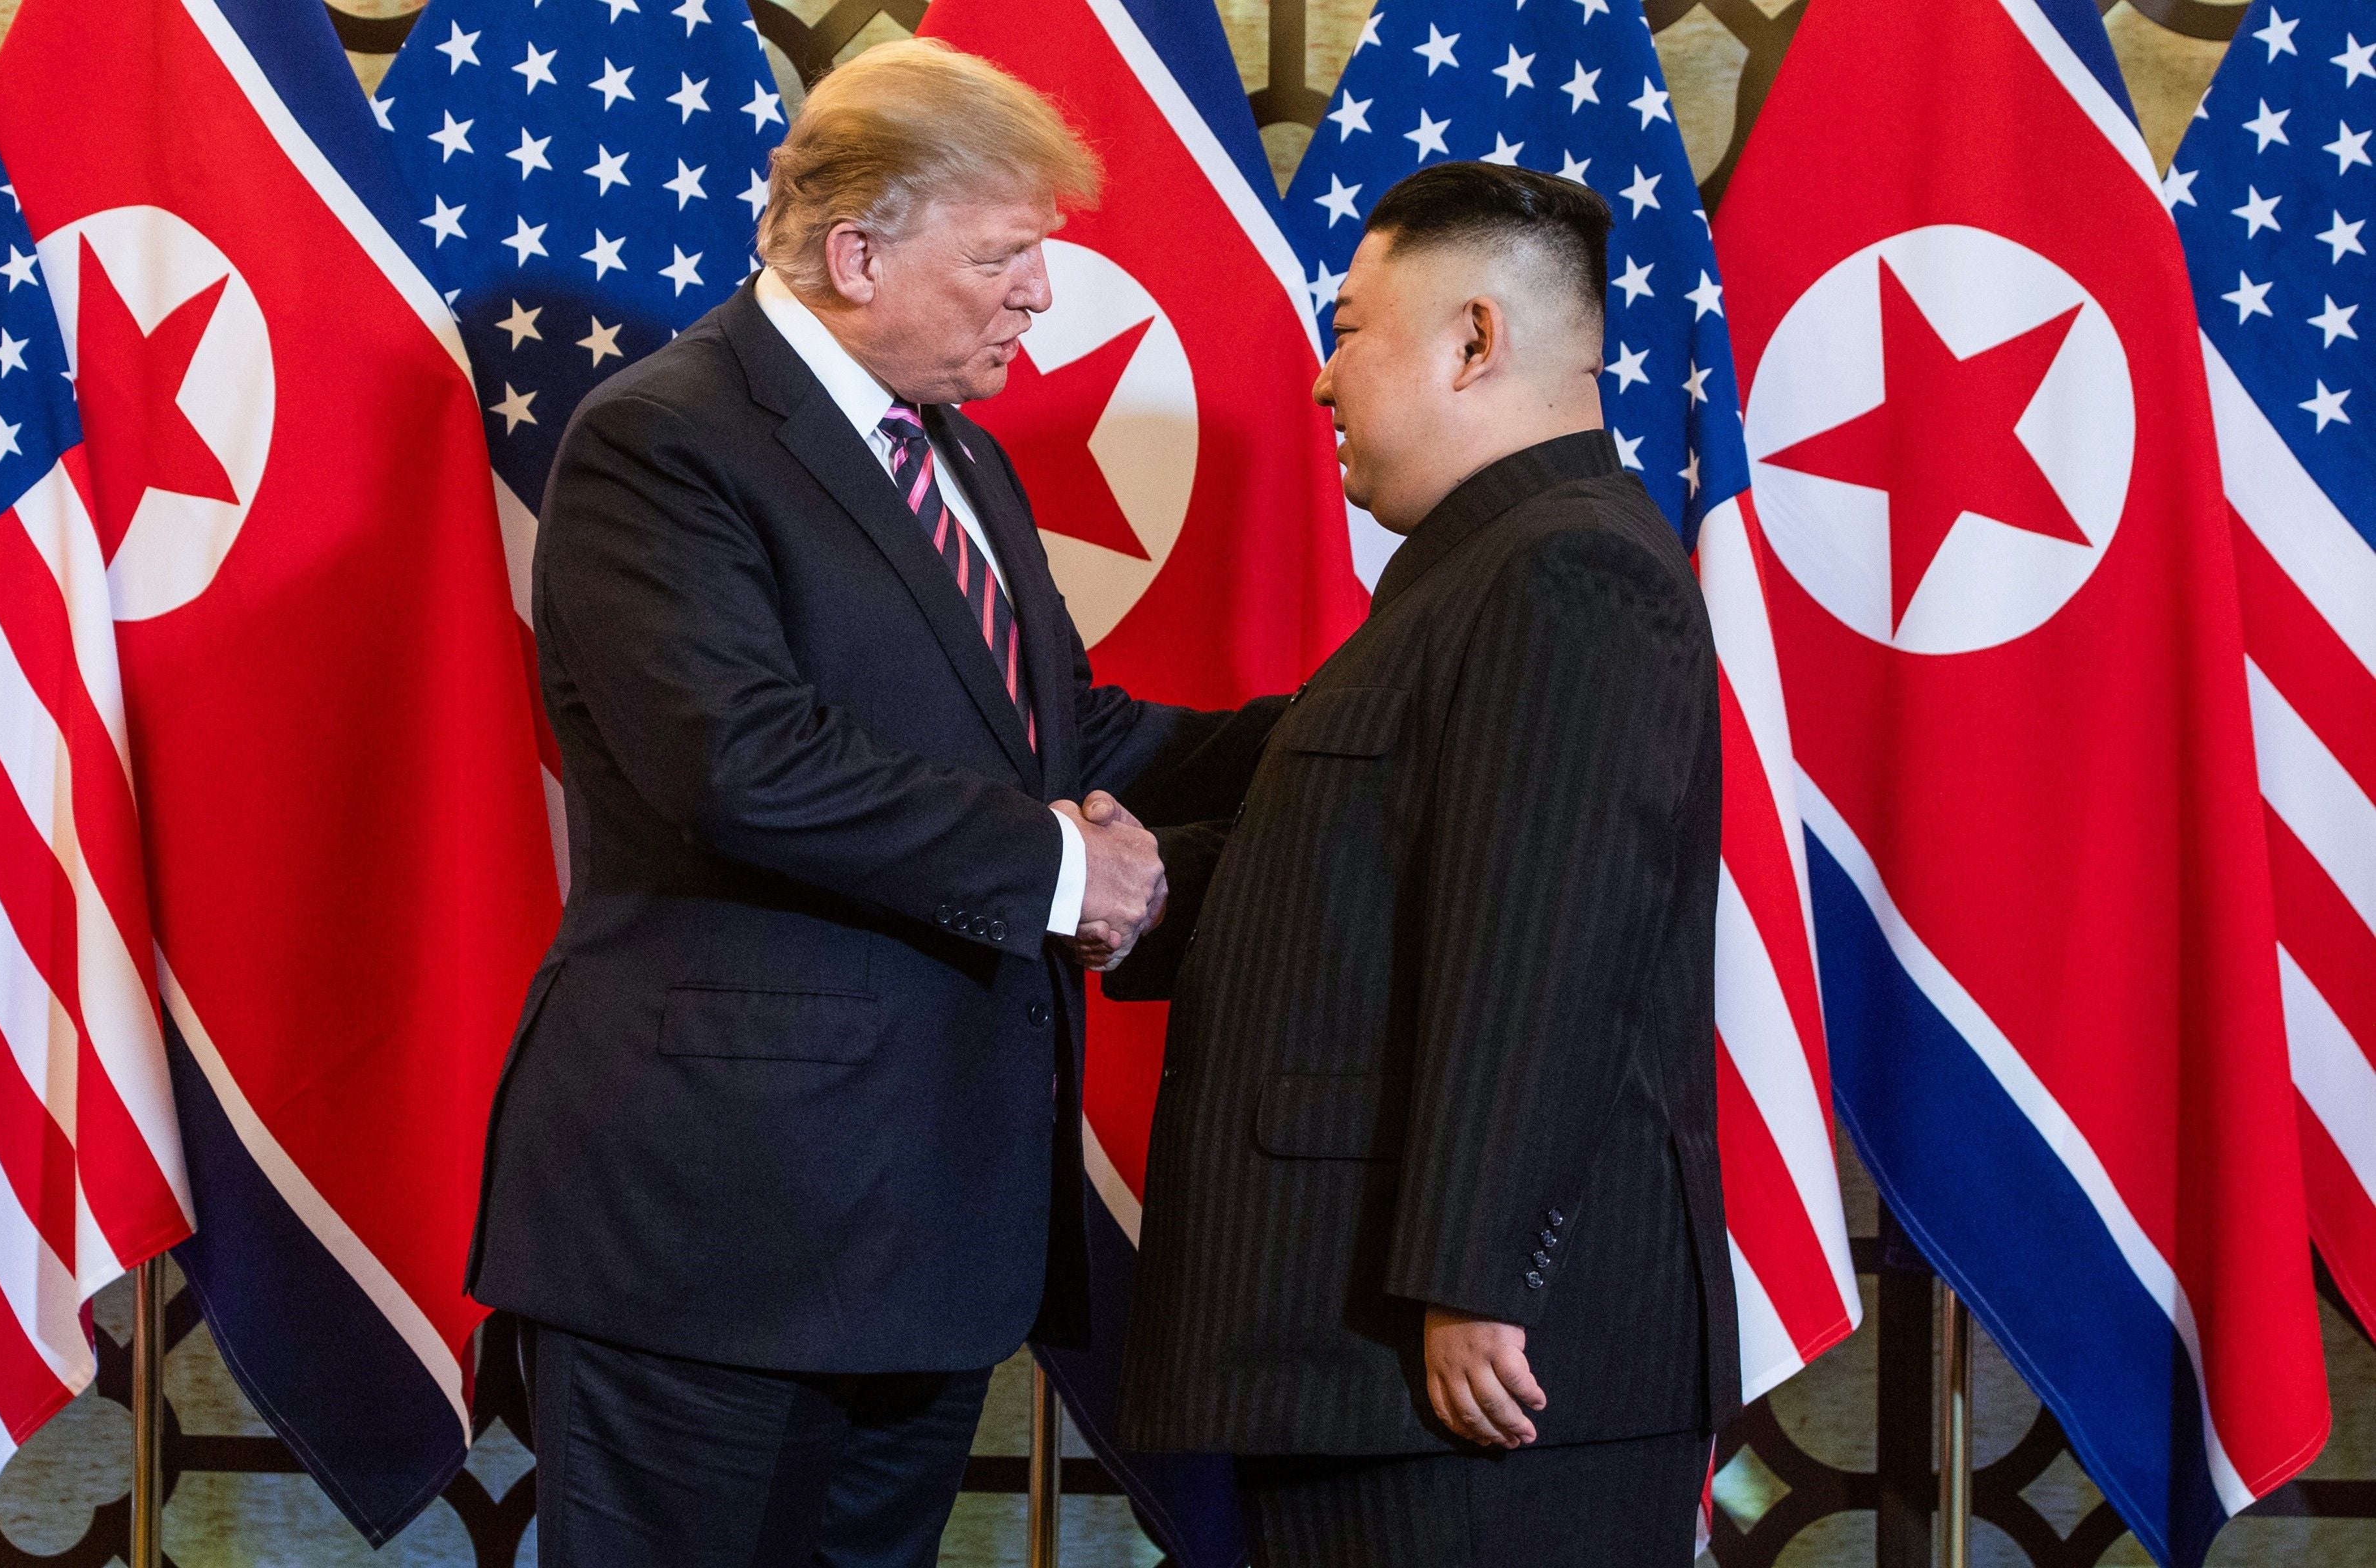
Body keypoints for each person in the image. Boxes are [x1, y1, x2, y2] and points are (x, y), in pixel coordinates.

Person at [464, 40, 1277, 1567]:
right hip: (717, 1232)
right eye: (1005, 254)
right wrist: (1061, 871)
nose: (1041, 292)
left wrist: (1354, 732)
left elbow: (1063, 728)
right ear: (858, 252)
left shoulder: (957, 451)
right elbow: (743, 760)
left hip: (923, 1236)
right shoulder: (666, 437)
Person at [1104, 161, 1739, 1567]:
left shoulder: (1565, 568)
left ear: (1471, 340)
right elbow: (1378, 883)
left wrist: (1471, 1274)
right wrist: (1142, 895)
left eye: (1345, 332)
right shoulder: (1481, 568)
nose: (1323, 384)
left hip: (1459, 1365)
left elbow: (1544, 947)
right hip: (1376, 1362)